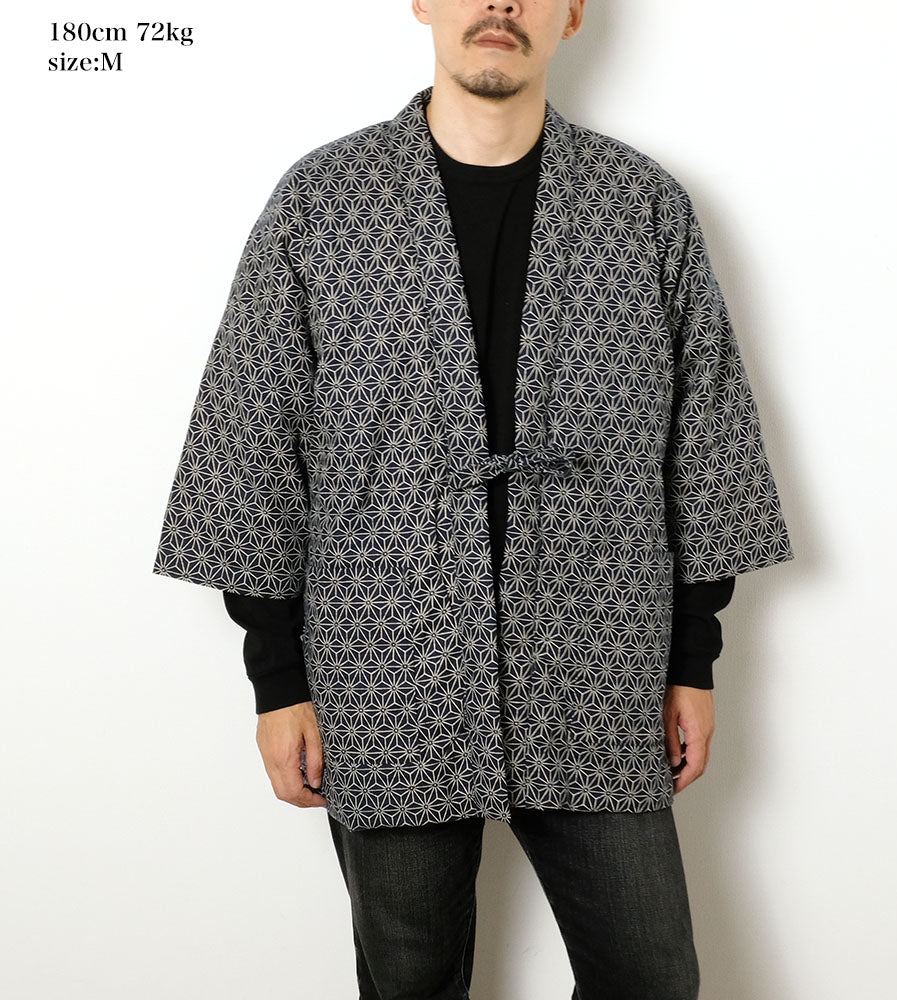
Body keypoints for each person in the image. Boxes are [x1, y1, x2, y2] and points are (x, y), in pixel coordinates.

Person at [152, 3, 795, 997]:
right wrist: (277, 678)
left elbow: (703, 436)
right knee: (409, 981)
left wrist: (690, 657)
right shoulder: (323, 202)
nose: (500, 3)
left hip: (599, 660)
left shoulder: (640, 207)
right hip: (383, 666)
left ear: (571, 13)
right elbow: (251, 436)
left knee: (651, 973)